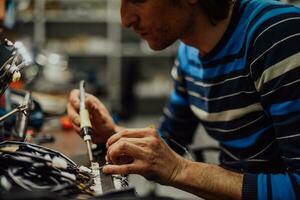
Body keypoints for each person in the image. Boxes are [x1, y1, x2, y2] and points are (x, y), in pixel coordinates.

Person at [68, 0, 300, 199]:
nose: (125, 19)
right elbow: (171, 142)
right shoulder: (188, 54)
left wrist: (180, 170)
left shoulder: (278, 37)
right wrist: (113, 135)